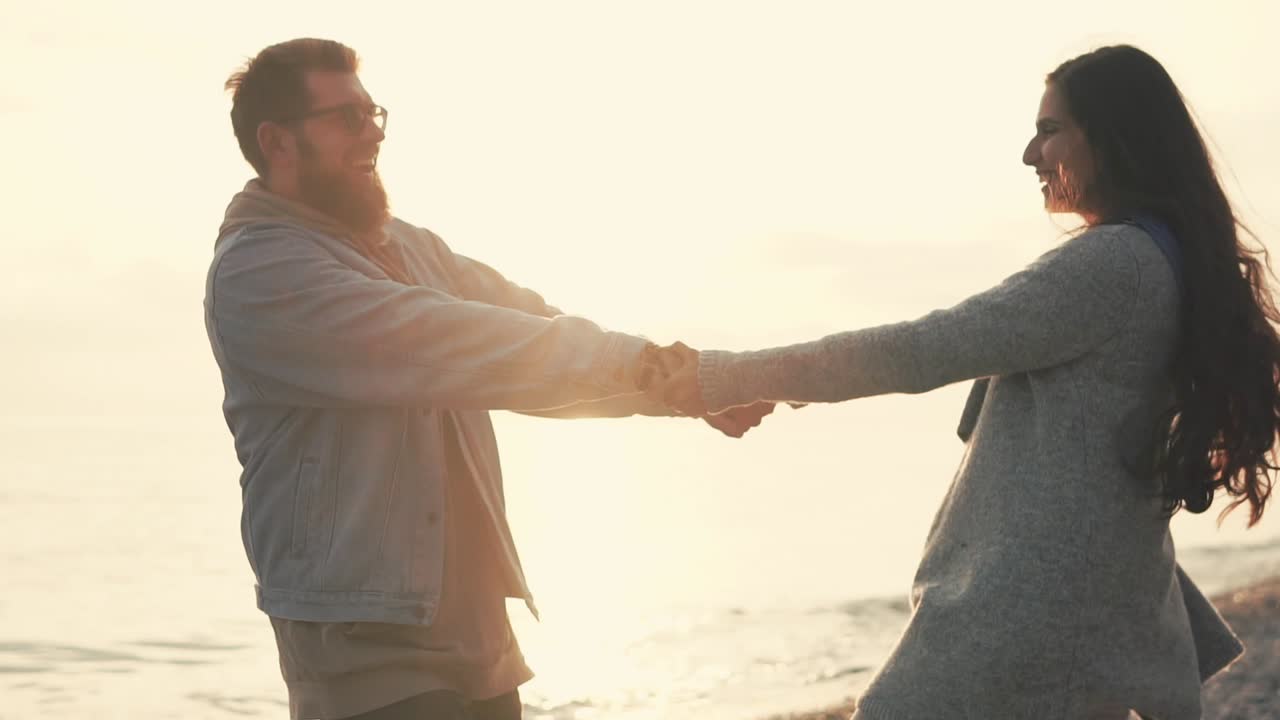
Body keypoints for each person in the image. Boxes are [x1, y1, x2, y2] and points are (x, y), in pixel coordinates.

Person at [649, 45, 1280, 720]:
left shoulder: (1115, 265)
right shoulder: (1163, 259)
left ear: (1112, 138)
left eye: (1049, 130)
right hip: (1081, 616)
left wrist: (727, 375)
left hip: (1023, 620)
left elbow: (922, 349)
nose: (1030, 155)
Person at [203, 38, 772, 720]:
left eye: (373, 113)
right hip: (364, 640)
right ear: (278, 142)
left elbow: (532, 333)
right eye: (346, 118)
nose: (372, 133)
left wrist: (685, 390)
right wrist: (654, 367)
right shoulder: (261, 275)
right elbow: (468, 344)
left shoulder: (410, 246)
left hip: (475, 632)